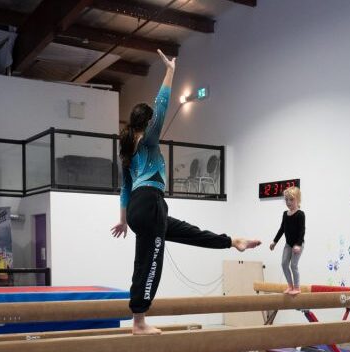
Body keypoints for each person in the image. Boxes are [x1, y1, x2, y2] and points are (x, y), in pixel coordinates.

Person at [111, 50, 261, 335]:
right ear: (147, 123)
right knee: (150, 259)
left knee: (184, 232)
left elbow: (124, 189)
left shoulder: (127, 152)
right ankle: (139, 321)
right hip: (151, 202)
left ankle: (232, 241)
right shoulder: (148, 141)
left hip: (138, 210)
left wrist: (122, 219)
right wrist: (170, 71)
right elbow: (163, 103)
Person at [269, 186, 305, 294]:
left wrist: (298, 245)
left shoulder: (300, 214)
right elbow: (282, 229)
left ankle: (297, 287)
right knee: (284, 264)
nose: (288, 202)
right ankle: (290, 286)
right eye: (286, 200)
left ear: (298, 200)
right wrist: (274, 242)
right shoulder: (285, 214)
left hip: (298, 244)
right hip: (288, 244)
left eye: (291, 199)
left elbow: (302, 231)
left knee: (293, 265)